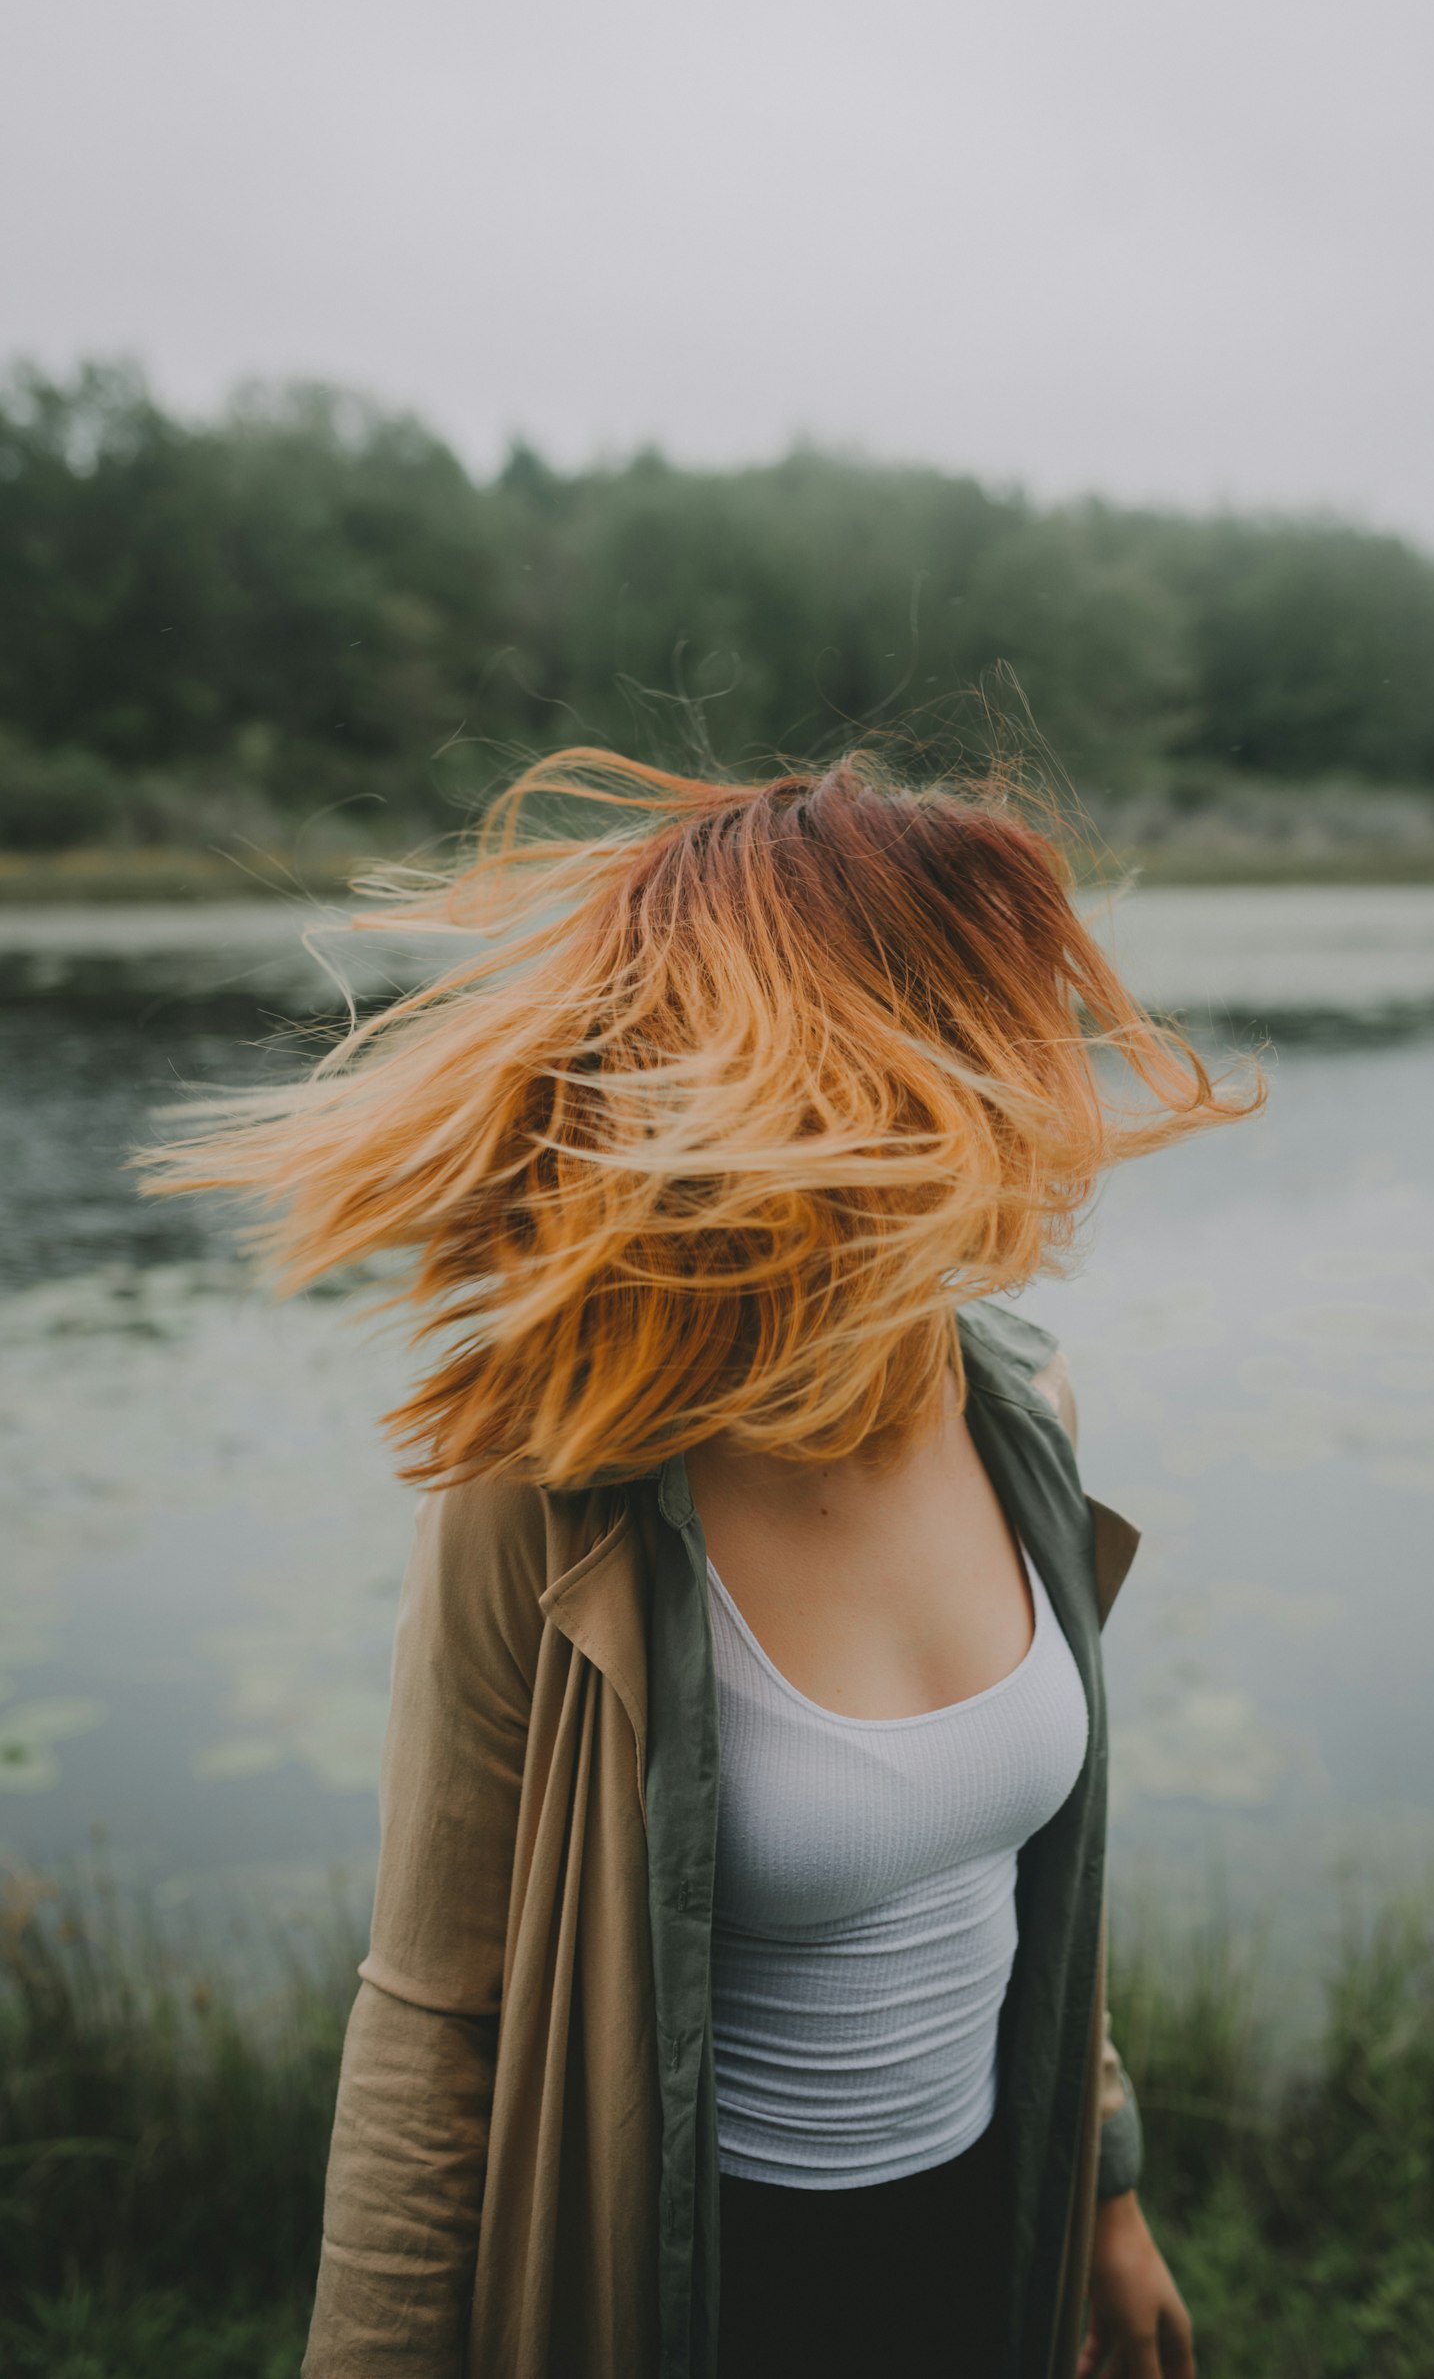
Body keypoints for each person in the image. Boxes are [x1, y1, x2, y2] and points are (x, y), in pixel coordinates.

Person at [146, 747, 1260, 2378]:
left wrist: (1102, 2192)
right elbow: (434, 2017)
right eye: (999, 1028)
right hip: (691, 2284)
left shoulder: (1021, 1406)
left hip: (983, 2241)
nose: (1048, 1081)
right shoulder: (552, 1484)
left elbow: (1024, 1890)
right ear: (868, 1069)